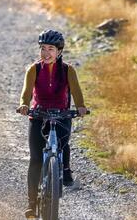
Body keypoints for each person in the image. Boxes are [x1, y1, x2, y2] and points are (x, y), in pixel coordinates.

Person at [16, 29, 88, 218]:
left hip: (62, 115)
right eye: (43, 48)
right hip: (38, 115)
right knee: (36, 160)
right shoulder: (34, 69)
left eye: (51, 49)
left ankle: (65, 169)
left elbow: (77, 92)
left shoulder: (68, 70)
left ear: (59, 51)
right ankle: (32, 204)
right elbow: (26, 92)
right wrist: (24, 104)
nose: (46, 53)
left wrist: (81, 107)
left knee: (63, 144)